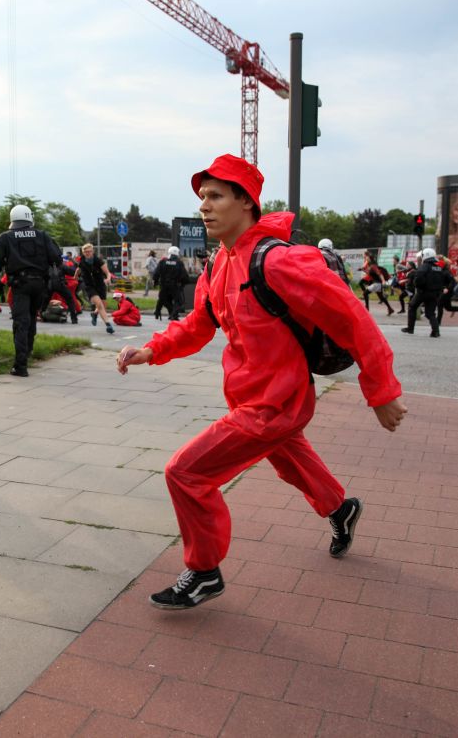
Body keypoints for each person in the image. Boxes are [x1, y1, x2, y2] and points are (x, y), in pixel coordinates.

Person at [115, 154, 405, 609]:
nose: (204, 207)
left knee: (186, 472)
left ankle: (205, 571)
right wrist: (153, 350)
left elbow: (354, 319)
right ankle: (341, 509)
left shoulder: (278, 262)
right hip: (252, 398)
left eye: (215, 196)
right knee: (290, 460)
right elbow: (198, 324)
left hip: (276, 403)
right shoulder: (218, 265)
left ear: (247, 202)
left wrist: (381, 392)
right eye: (201, 197)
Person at [0, 204, 62, 376]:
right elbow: (56, 258)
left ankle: (20, 366)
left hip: (20, 284)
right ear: (30, 218)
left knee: (21, 322)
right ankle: (28, 351)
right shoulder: (42, 235)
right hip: (40, 284)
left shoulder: (5, 237)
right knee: (31, 318)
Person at [401, 248, 448, 338]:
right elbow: (443, 280)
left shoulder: (424, 266)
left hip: (423, 292)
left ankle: (410, 328)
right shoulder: (438, 267)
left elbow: (418, 279)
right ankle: (436, 331)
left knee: (412, 306)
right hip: (435, 293)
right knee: (430, 313)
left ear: (426, 255)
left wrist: (417, 285)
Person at [78, 243, 115, 333]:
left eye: (89, 251)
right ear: (83, 253)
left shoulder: (98, 261)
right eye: (86, 252)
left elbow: (107, 273)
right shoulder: (82, 261)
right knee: (99, 304)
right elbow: (78, 269)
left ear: (93, 251)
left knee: (103, 304)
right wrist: (75, 276)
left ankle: (94, 314)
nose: (88, 253)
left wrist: (108, 279)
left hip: (100, 285)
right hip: (89, 286)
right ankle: (108, 325)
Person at [153, 246, 187, 320]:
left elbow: (156, 273)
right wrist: (182, 284)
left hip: (164, 286)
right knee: (179, 301)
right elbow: (184, 276)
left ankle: (170, 313)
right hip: (175, 286)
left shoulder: (163, 262)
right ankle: (173, 314)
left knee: (164, 300)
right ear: (177, 253)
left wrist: (155, 282)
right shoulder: (179, 263)